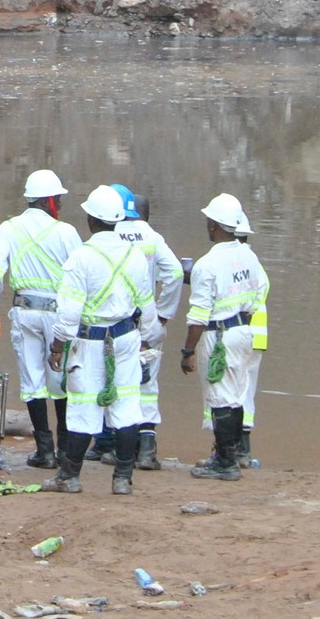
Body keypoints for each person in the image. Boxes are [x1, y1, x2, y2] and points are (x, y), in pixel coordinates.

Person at [42, 184, 153, 495]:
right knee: (128, 407)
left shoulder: (82, 258)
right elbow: (147, 307)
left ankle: (69, 476)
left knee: (82, 408)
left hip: (89, 343)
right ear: (118, 220)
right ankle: (122, 479)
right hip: (127, 338)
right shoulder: (135, 255)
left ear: (90, 219)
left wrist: (58, 346)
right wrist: (144, 342)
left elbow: (68, 314)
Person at [0, 168, 80, 469]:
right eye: (58, 199)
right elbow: (81, 274)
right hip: (59, 315)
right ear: (49, 201)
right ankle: (64, 451)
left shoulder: (8, 228)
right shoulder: (66, 232)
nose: (60, 205)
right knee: (60, 380)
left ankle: (44, 451)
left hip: (25, 312)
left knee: (32, 380)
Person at [183, 194, 268, 481]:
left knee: (219, 397)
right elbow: (259, 294)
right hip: (244, 331)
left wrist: (187, 351)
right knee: (235, 395)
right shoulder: (249, 256)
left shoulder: (207, 264)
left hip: (217, 336)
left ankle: (225, 462)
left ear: (214, 225)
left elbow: (198, 316)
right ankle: (230, 455)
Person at [101, 185, 185, 472]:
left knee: (119, 383)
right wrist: (164, 314)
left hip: (117, 323)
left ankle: (120, 448)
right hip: (149, 321)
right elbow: (175, 273)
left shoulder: (109, 235)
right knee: (148, 384)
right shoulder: (152, 236)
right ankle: (147, 451)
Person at [235, 210, 264, 466]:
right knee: (246, 391)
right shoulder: (254, 262)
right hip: (256, 337)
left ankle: (230, 451)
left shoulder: (234, 261)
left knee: (229, 391)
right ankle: (242, 451)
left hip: (239, 334)